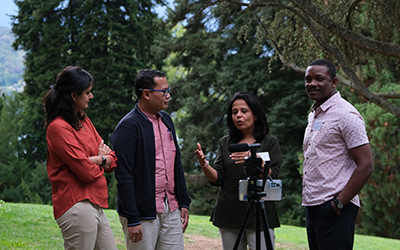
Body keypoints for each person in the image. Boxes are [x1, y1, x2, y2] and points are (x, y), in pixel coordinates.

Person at [111, 69, 191, 250]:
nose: (168, 96)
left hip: (171, 207)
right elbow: (123, 176)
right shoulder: (128, 127)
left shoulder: (166, 120)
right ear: (146, 94)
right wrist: (132, 218)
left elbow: (176, 163)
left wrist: (183, 201)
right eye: (164, 92)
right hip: (142, 212)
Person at [43, 66, 118, 250]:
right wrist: (100, 159)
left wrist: (96, 159)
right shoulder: (58, 128)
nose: (91, 96)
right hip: (76, 204)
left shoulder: (83, 121)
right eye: (87, 92)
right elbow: (86, 172)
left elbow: (113, 158)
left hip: (95, 204)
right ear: (73, 95)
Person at [195, 91, 282, 250]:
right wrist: (204, 165)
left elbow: (273, 176)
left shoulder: (269, 141)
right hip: (229, 213)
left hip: (260, 214)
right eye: (234, 112)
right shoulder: (226, 142)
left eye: (244, 111)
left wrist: (256, 160)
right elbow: (218, 178)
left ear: (255, 115)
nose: (238, 116)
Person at [302, 59, 374, 249]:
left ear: (334, 82)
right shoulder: (314, 114)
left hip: (336, 207)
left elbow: (366, 165)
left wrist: (338, 203)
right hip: (313, 205)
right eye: (308, 79)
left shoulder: (346, 115)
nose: (312, 83)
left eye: (319, 78)